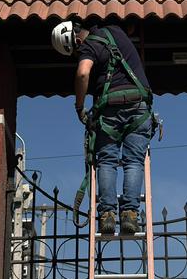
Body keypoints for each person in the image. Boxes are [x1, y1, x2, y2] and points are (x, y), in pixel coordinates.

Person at [51, 18, 155, 236]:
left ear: (75, 43)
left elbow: (82, 73)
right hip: (139, 107)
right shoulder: (116, 31)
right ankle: (130, 214)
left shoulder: (87, 46)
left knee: (107, 160)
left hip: (110, 112)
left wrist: (79, 107)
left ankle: (107, 215)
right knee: (133, 161)